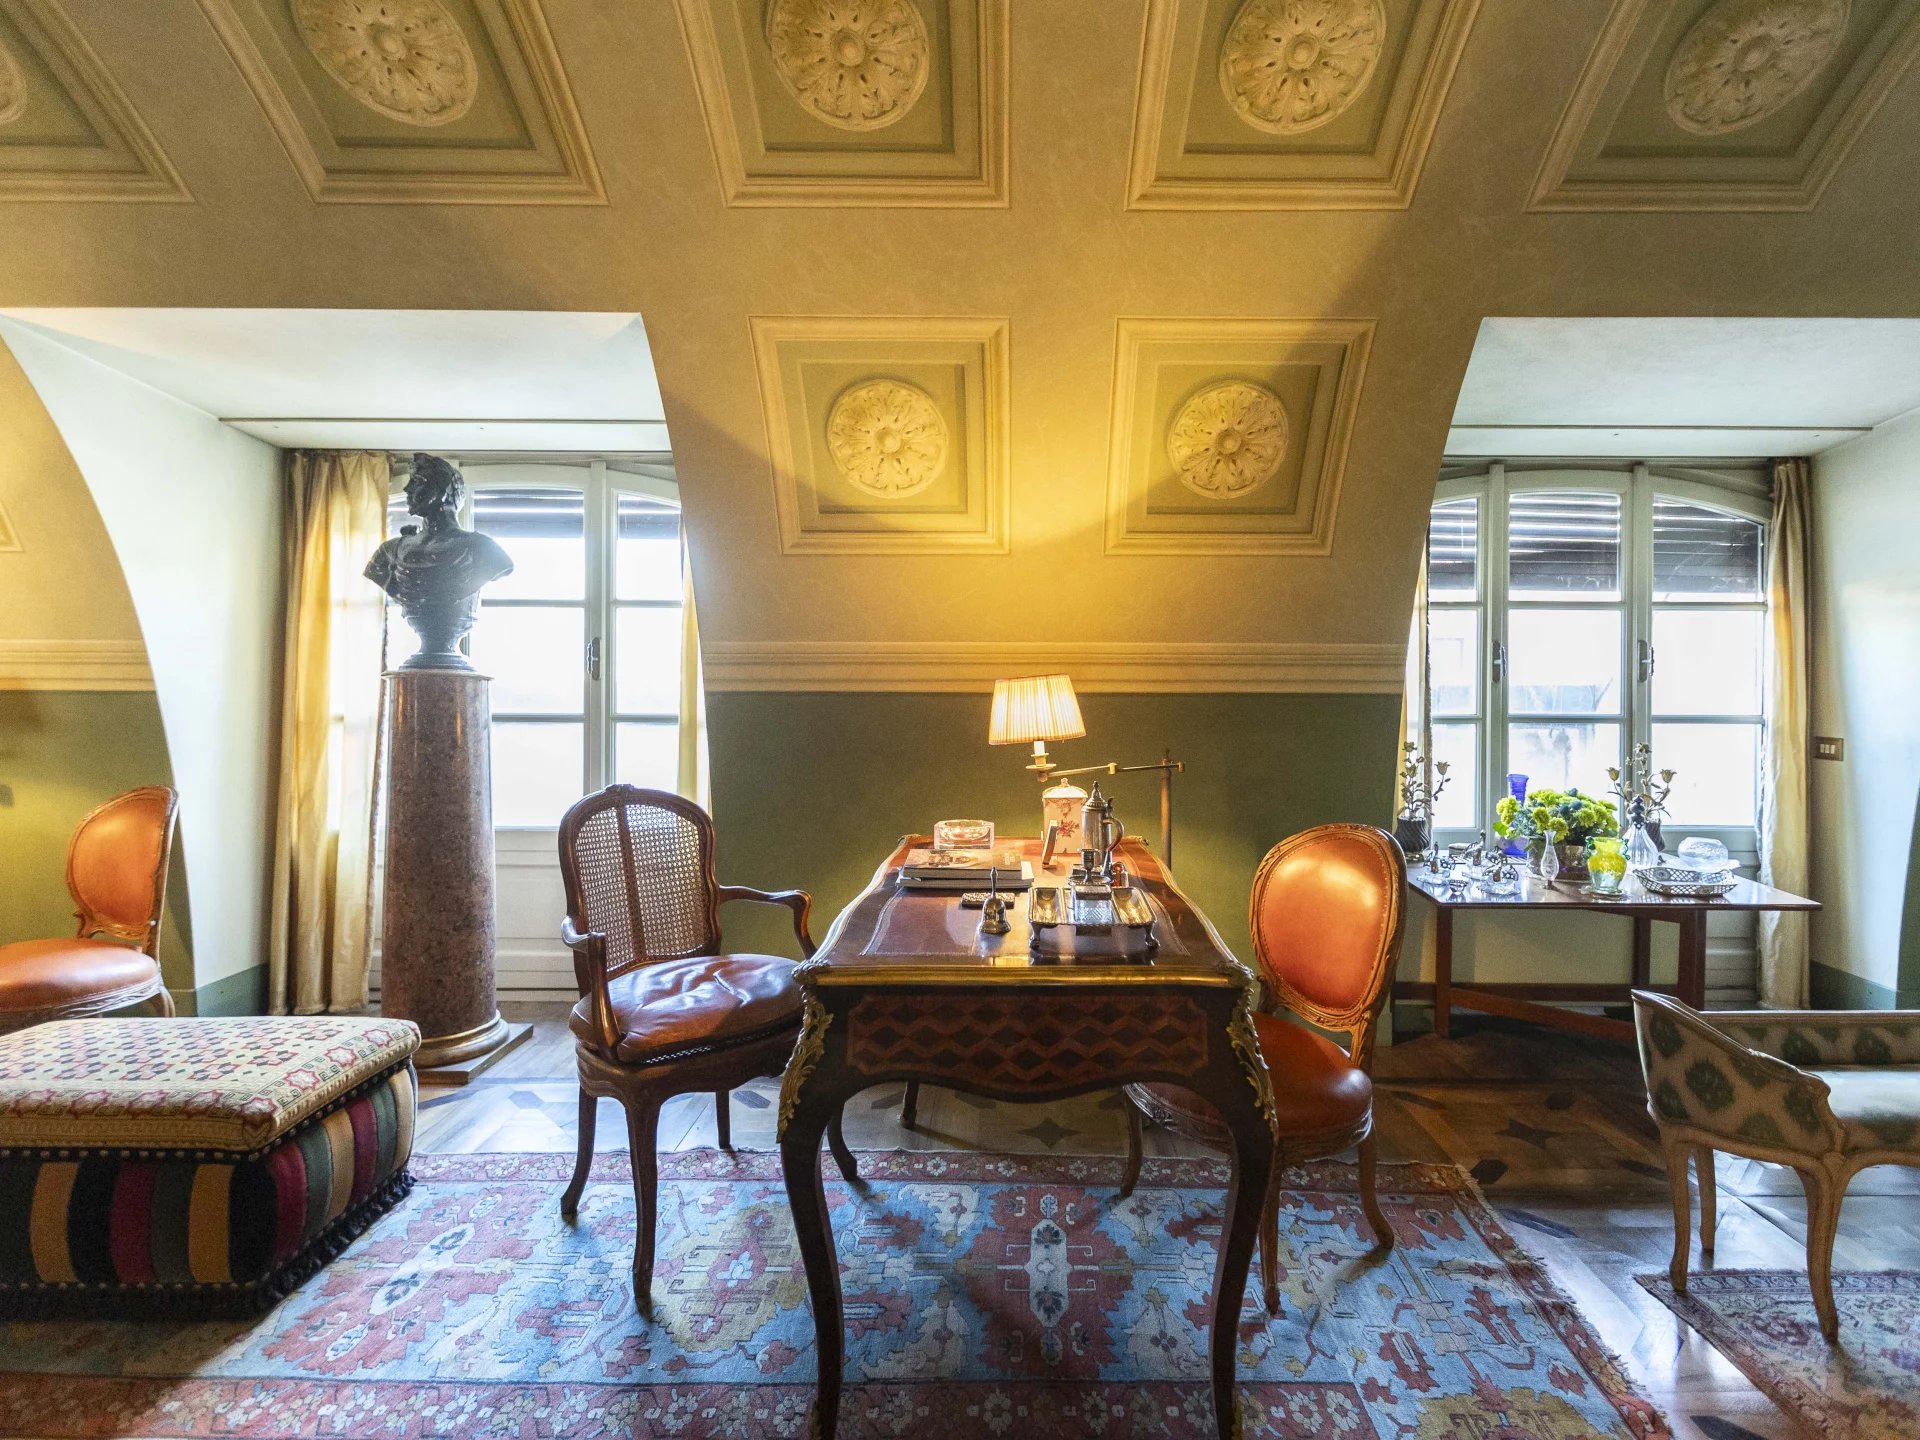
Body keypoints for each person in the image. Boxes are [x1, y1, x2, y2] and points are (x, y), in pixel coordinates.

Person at [364, 453, 514, 669]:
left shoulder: (482, 549)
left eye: (417, 482)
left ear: (443, 490)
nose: (407, 489)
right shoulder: (390, 551)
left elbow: (503, 567)